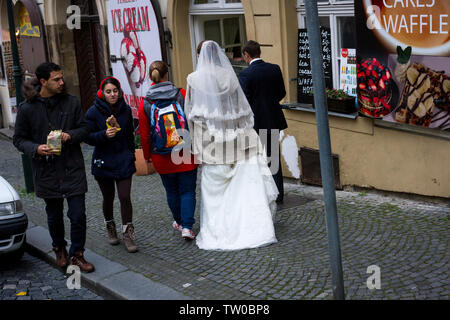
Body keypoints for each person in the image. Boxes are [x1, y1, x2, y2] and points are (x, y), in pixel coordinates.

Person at [185, 40, 278, 251]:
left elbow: (191, 114)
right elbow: (241, 108)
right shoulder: (229, 76)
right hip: (236, 141)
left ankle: (217, 230)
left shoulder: (193, 79)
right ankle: (248, 226)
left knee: (213, 191)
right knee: (240, 187)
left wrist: (196, 147)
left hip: (211, 145)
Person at [13, 62, 94, 272]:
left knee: (78, 215)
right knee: (54, 215)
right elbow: (19, 139)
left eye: (61, 78)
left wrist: (71, 135)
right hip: (46, 171)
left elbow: (85, 128)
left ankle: (78, 254)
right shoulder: (27, 108)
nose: (61, 82)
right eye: (56, 79)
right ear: (43, 82)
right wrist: (36, 148)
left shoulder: (71, 102)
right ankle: (59, 248)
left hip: (72, 167)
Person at [138, 61, 199, 240]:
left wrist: (147, 156)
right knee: (188, 190)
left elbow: (145, 135)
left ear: (150, 77)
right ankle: (187, 227)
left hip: (161, 154)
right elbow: (194, 122)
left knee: (171, 191)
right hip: (185, 151)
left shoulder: (145, 103)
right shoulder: (181, 94)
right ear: (167, 75)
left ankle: (178, 222)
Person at [84, 77, 138, 253]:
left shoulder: (126, 110)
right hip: (104, 160)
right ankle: (110, 226)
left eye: (115, 91)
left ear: (119, 91)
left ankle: (128, 234)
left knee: (124, 196)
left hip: (123, 159)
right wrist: (103, 135)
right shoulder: (93, 112)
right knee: (108, 197)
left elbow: (130, 135)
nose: (112, 94)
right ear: (102, 93)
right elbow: (87, 137)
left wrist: (131, 155)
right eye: (108, 91)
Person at [238, 40, 288, 203]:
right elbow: (281, 92)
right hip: (273, 118)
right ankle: (278, 193)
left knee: (256, 159)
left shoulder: (246, 74)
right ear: (259, 52)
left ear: (246, 54)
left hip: (255, 122)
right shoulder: (274, 69)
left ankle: (262, 193)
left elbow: (244, 101)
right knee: (274, 158)